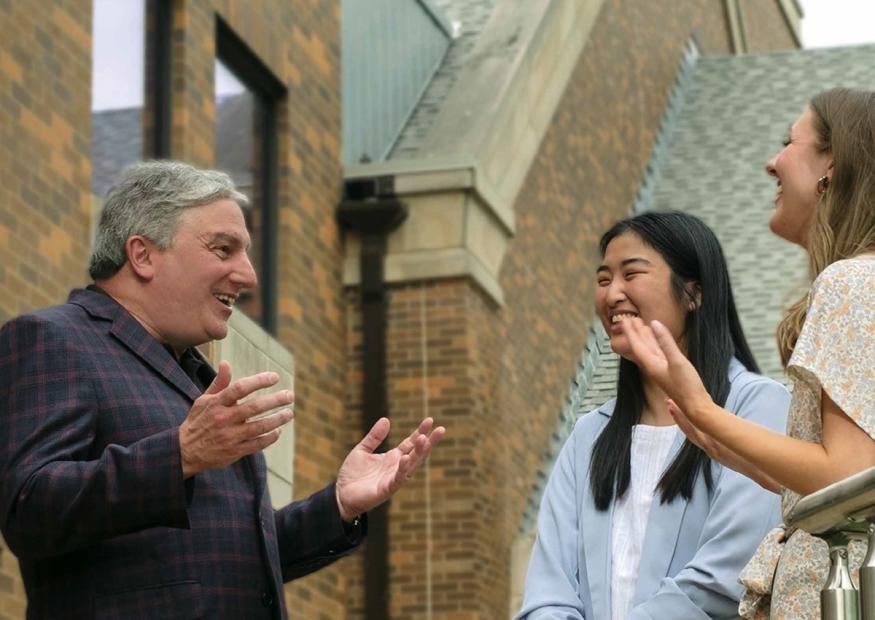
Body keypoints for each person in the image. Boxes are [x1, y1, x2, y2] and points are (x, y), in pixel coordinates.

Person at [0, 161, 445, 619]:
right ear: (143, 255)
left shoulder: (194, 375)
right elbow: (28, 507)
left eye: (245, 253)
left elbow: (227, 561)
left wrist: (336, 506)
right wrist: (179, 456)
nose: (248, 276)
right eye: (223, 249)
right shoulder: (54, 338)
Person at [619, 87, 875, 619]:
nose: (771, 162)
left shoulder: (851, 283)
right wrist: (743, 455)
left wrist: (705, 408)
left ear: (832, 165)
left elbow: (849, 479)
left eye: (788, 141)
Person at [515, 211, 789, 620]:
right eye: (604, 279)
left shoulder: (757, 406)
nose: (612, 295)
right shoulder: (589, 436)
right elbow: (547, 592)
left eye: (632, 274)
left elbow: (725, 578)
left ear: (693, 293)